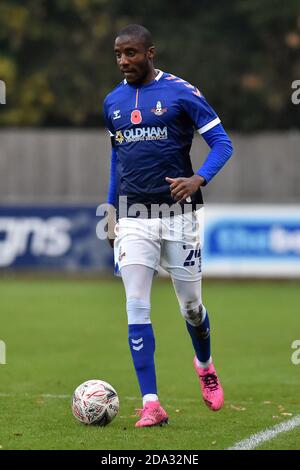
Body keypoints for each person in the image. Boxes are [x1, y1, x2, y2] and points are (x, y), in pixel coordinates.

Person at [103, 24, 233, 428]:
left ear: (150, 53)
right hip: (132, 217)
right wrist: (110, 209)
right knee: (136, 305)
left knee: (191, 308)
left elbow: (223, 144)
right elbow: (116, 159)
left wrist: (199, 178)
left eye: (131, 53)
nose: (124, 61)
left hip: (180, 217)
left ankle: (205, 365)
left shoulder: (181, 92)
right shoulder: (112, 102)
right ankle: (151, 402)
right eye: (119, 54)